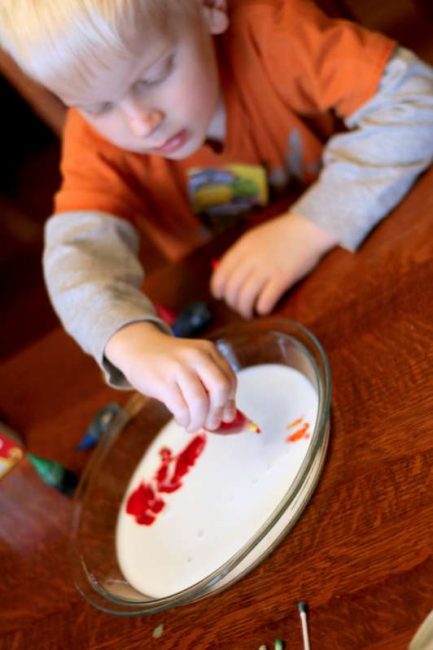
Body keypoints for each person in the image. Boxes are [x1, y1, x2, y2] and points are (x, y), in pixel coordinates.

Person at [1, 0, 433, 432]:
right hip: (254, 321)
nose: (141, 124)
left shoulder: (274, 30)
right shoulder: (94, 142)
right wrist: (131, 341)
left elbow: (418, 102)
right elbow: (76, 256)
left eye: (154, 76)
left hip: (371, 263)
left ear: (210, 7)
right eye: (97, 108)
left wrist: (309, 226)